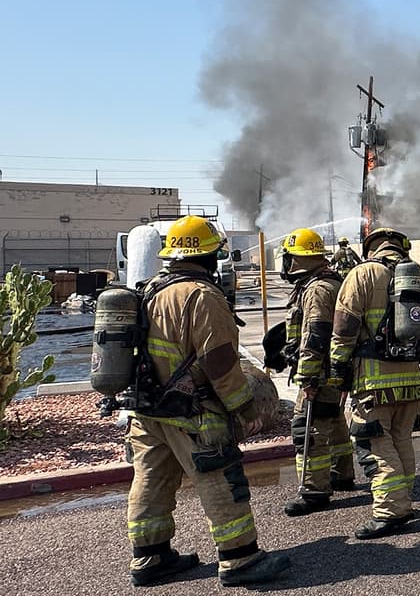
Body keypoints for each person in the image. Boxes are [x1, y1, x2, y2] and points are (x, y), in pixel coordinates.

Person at [123, 215, 290, 587]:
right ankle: (240, 558)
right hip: (193, 410)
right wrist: (244, 406)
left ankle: (150, 557)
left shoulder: (150, 289)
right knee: (221, 479)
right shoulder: (201, 295)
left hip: (149, 409)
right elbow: (219, 361)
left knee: (151, 479)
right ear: (209, 254)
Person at [330, 227, 420, 539]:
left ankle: (389, 512)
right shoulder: (418, 278)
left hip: (373, 384)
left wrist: (336, 370)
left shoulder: (362, 274)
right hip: (410, 382)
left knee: (376, 446)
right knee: (401, 441)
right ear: (402, 247)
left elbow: (343, 328)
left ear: (371, 248)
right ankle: (402, 502)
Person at [276, 227, 356, 516]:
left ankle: (313, 491)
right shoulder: (324, 282)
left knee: (307, 429)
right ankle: (342, 474)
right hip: (333, 370)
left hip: (320, 372)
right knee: (331, 420)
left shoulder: (318, 289)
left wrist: (308, 376)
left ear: (299, 259)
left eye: (289, 258)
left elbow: (316, 334)